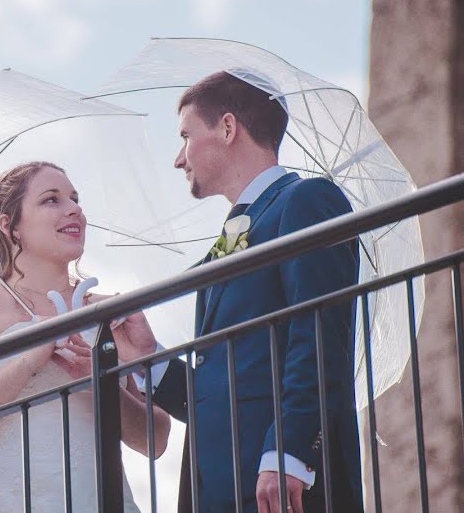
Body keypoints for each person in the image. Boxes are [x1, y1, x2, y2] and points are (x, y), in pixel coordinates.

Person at [119, 71, 363, 512]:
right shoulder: (235, 232)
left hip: (283, 485)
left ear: (227, 128)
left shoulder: (307, 201)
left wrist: (287, 452)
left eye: (185, 136)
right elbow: (219, 388)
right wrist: (147, 357)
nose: (179, 158)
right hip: (219, 488)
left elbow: (319, 333)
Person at [0, 161, 170, 512]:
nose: (75, 210)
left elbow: (155, 440)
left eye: (75, 198)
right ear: (11, 226)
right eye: (51, 200)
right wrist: (28, 361)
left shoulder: (111, 312)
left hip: (100, 499)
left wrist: (100, 383)